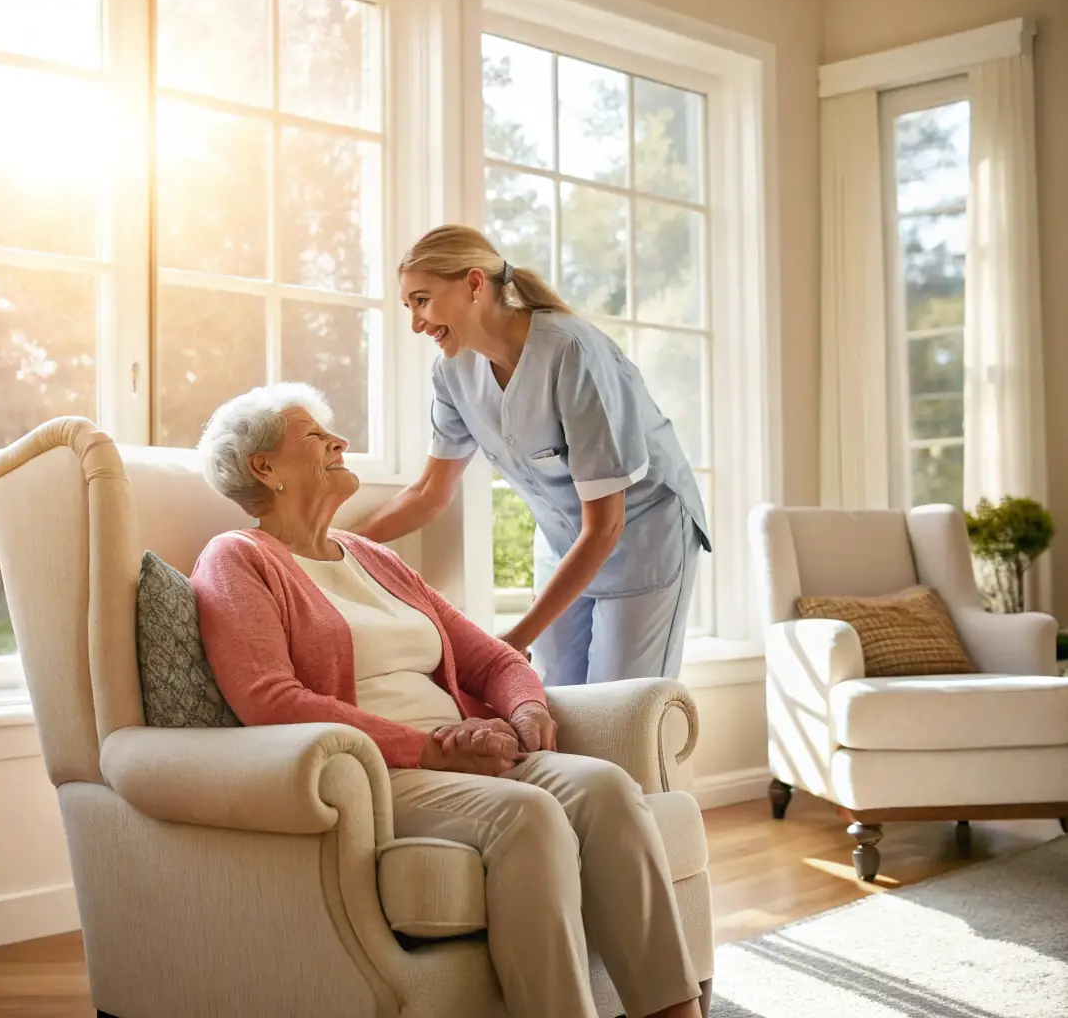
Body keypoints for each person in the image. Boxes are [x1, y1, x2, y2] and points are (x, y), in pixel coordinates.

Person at [189, 382, 706, 1018]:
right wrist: (431, 748)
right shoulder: (237, 559)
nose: (339, 442)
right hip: (380, 770)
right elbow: (270, 700)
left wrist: (526, 712)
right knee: (527, 817)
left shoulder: (373, 558)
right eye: (314, 437)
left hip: (474, 750)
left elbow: (492, 657)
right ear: (263, 467)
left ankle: (674, 1012)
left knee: (606, 787)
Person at [352, 224, 711, 687]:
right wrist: (335, 547)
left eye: (422, 300)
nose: (416, 322)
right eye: (408, 306)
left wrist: (514, 638)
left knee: (622, 708)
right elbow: (428, 493)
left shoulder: (571, 351)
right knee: (560, 696)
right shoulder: (452, 373)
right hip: (564, 540)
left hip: (642, 536)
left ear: (474, 284)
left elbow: (605, 525)